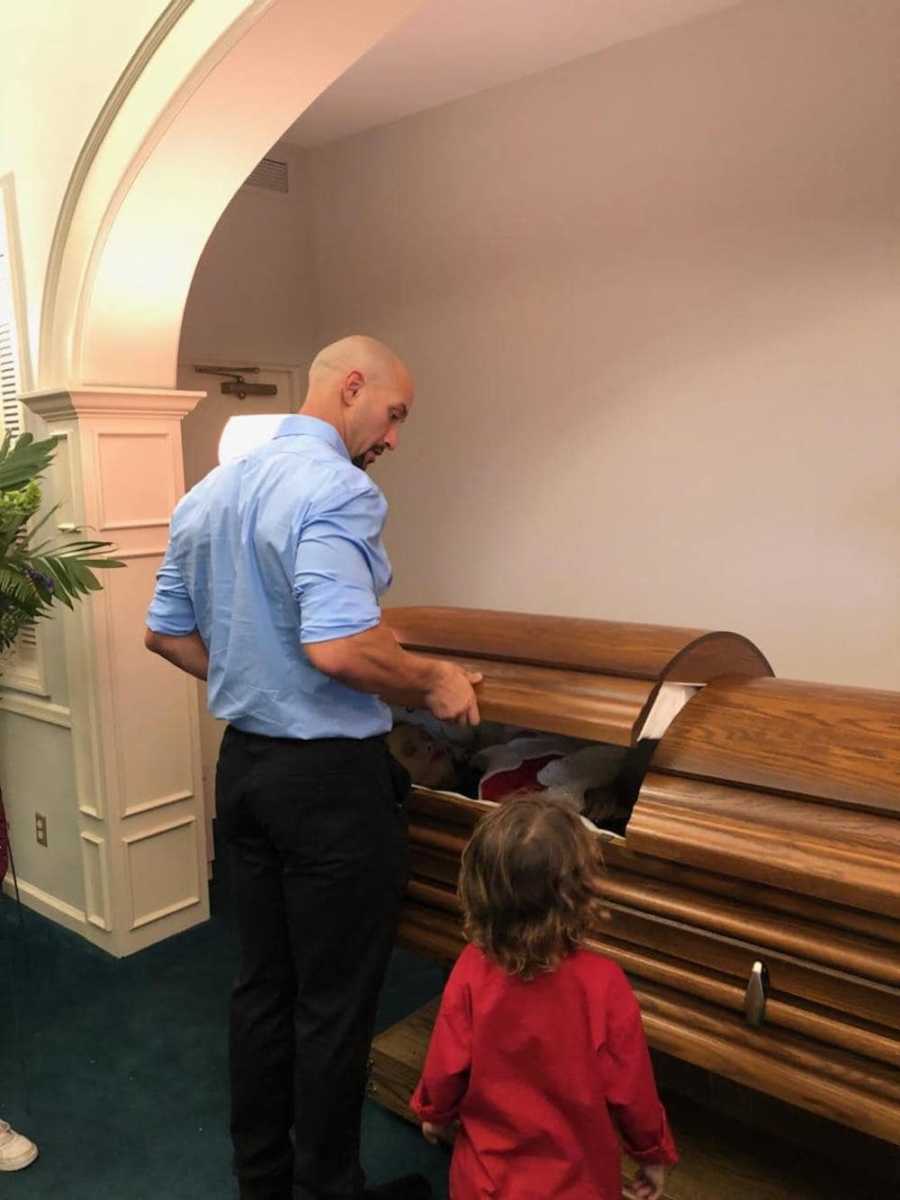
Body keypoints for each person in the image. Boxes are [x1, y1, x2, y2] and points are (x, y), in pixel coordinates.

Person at [145, 335, 481, 1200]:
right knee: (334, 1004)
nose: (394, 438)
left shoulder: (208, 494)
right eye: (394, 415)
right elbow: (337, 647)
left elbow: (166, 634)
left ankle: (262, 1181)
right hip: (330, 790)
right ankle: (330, 1188)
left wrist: (253, 676)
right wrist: (435, 677)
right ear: (352, 388)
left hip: (246, 772)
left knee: (262, 987)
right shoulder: (337, 487)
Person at [410, 795, 677, 1200]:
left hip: (485, 1184)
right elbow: (631, 1091)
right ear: (579, 893)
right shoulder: (605, 984)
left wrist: (434, 1115)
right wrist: (651, 1154)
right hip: (577, 1185)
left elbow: (446, 1066)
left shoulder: (470, 969)